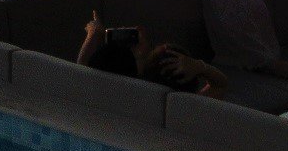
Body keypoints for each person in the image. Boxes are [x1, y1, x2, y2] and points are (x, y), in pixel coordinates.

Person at [77, 12, 229, 99]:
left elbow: (80, 74)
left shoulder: (123, 96)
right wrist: (200, 66)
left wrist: (93, 33)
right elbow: (221, 84)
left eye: (153, 48)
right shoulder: (186, 110)